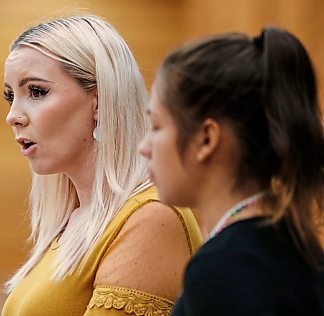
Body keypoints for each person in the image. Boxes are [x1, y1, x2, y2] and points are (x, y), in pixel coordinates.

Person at [1, 15, 203, 315]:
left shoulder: (151, 216)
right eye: (10, 96)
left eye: (36, 91)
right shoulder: (73, 219)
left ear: (99, 101)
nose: (13, 116)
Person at [139, 27, 324, 315]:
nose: (144, 147)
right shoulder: (293, 243)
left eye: (157, 127)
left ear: (206, 139)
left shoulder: (226, 267)